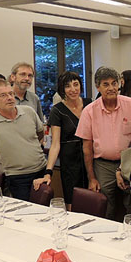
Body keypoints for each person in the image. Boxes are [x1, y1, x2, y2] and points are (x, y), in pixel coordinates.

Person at [76, 67, 131, 221]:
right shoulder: (89, 111)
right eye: (106, 85)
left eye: (114, 83)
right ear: (98, 87)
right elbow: (87, 149)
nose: (111, 88)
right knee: (106, 205)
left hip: (129, 163)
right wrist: (92, 178)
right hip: (103, 165)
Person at [33, 71, 92, 207]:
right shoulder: (58, 110)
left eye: (76, 84)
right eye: (68, 86)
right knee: (72, 203)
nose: (73, 89)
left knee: (93, 201)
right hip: (70, 163)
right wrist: (48, 172)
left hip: (91, 160)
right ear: (62, 90)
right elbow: (55, 144)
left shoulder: (90, 104)